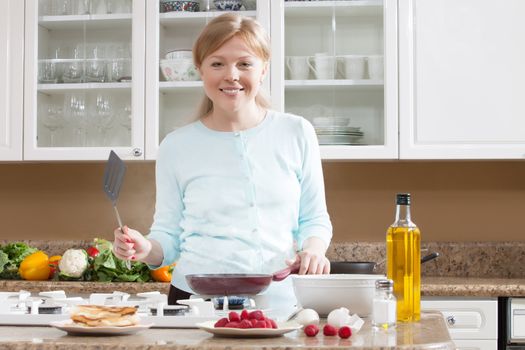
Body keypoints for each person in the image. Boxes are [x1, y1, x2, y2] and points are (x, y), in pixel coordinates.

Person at [112, 13, 332, 308]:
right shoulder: (175, 146)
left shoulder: (296, 132)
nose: (231, 75)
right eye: (217, 63)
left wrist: (314, 250)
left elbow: (314, 218)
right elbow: (169, 236)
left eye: (244, 63)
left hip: (278, 302)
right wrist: (145, 247)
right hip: (193, 303)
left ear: (263, 69)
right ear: (200, 70)